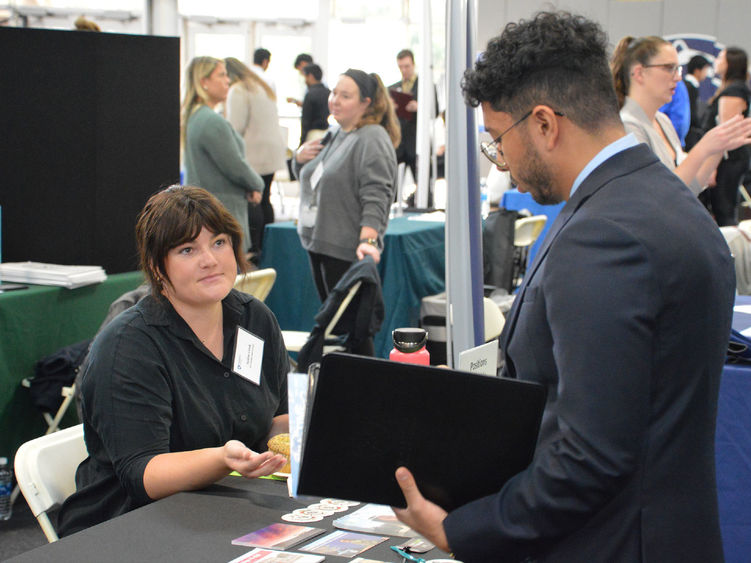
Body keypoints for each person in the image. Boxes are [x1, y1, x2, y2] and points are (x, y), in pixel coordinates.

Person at [392, 11, 735, 562]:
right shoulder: (668, 202)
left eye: (499, 141)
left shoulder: (604, 235)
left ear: (545, 123)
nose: (502, 162)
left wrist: (466, 529)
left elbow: (590, 455)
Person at [57, 185, 289, 536]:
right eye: (187, 249)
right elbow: (143, 474)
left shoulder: (254, 318)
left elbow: (276, 417)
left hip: (229, 505)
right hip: (129, 524)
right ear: (156, 266)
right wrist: (222, 459)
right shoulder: (129, 347)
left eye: (219, 242)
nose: (209, 259)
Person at [293, 69, 399, 355]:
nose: (335, 101)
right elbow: (313, 176)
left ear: (367, 102)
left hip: (345, 249)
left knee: (354, 332)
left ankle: (363, 392)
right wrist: (298, 159)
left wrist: (369, 240)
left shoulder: (372, 138)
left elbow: (378, 194)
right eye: (334, 93)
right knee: (338, 331)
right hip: (319, 244)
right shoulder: (335, 133)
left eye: (345, 95)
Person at [611, 35, 751, 196]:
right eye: (669, 68)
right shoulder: (627, 126)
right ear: (639, 73)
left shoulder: (662, 121)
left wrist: (718, 148)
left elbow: (688, 188)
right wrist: (703, 148)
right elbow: (659, 195)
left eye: (677, 69)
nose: (678, 77)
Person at [181, 56, 264, 252]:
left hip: (208, 213)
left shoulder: (196, 116)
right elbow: (234, 165)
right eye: (222, 75)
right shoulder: (211, 121)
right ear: (204, 82)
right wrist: (257, 184)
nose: (228, 80)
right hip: (221, 214)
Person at [224, 57, 286, 254]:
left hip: (254, 154)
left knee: (253, 201)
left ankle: (255, 248)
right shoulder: (260, 86)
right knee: (265, 198)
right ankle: (268, 246)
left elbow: (235, 127)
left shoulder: (239, 90)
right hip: (272, 152)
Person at [701, 47, 751, 226]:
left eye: (721, 57)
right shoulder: (731, 88)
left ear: (731, 64)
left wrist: (711, 166)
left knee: (724, 210)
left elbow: (726, 133)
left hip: (729, 160)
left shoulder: (734, 90)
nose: (716, 60)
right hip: (727, 159)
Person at [684, 54, 711, 150]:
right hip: (687, 134)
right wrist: (700, 127)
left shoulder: (689, 85)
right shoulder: (689, 87)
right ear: (697, 70)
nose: (706, 74)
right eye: (705, 70)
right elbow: (691, 112)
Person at [299, 63, 330, 146]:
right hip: (327, 135)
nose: (305, 80)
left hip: (312, 136)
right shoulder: (329, 93)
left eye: (305, 76)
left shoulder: (310, 94)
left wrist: (301, 142)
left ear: (310, 76)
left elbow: (305, 122)